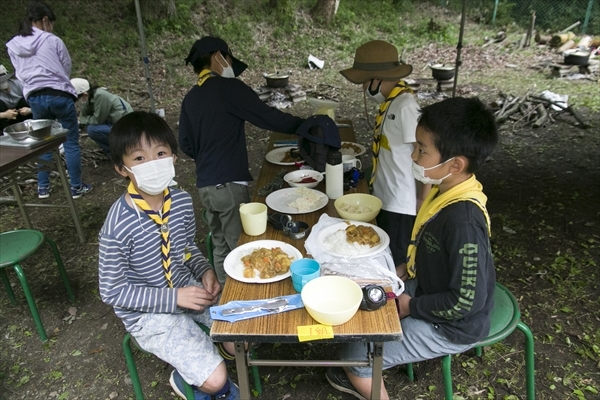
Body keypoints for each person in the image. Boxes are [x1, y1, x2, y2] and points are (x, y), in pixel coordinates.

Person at [326, 97, 499, 400]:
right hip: (428, 290)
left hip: (452, 325)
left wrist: (410, 306)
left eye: (422, 150)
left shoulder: (464, 222)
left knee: (355, 354)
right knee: (364, 308)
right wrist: (402, 271)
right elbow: (428, 248)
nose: (414, 157)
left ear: (455, 164)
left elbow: (466, 302)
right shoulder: (442, 191)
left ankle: (360, 370)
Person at [98, 111, 240, 400]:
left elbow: (187, 247)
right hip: (146, 312)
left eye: (160, 152)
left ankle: (202, 352)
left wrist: (205, 271)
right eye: (139, 158)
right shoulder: (118, 225)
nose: (153, 163)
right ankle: (187, 374)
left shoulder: (182, 201)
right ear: (121, 168)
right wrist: (174, 299)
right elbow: (111, 291)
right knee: (216, 381)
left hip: (188, 288)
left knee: (241, 340)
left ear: (174, 158)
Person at [179, 36, 305, 285]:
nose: (229, 66)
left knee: (220, 244)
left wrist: (209, 156)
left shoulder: (191, 98)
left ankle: (224, 296)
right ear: (218, 57)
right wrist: (304, 125)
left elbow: (185, 145)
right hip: (228, 185)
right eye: (228, 59)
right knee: (244, 249)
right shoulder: (229, 89)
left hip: (206, 186)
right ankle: (240, 305)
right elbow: (266, 116)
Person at [339, 40, 429, 268]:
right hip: (384, 197)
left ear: (377, 79)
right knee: (380, 251)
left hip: (402, 203)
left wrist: (422, 199)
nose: (363, 88)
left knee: (396, 262)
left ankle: (397, 301)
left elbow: (424, 153)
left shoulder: (406, 105)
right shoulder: (391, 103)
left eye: (364, 82)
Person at [6, 1, 92, 199]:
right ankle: (76, 187)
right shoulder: (52, 40)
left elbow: (19, 74)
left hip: (35, 96)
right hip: (59, 94)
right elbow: (66, 66)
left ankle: (43, 187)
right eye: (51, 23)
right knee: (70, 141)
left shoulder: (14, 45)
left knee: (42, 141)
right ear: (45, 20)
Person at [70, 77, 133, 157]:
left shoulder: (100, 96)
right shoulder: (90, 98)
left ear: (85, 94)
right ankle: (115, 150)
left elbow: (97, 120)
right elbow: (84, 114)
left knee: (93, 130)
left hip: (126, 127)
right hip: (113, 122)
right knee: (92, 127)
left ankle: (117, 152)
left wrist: (82, 119)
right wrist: (83, 117)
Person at [0, 64, 32, 132]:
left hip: (24, 114)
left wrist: (30, 110)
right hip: (6, 119)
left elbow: (36, 101)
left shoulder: (19, 84)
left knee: (25, 100)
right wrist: (4, 115)